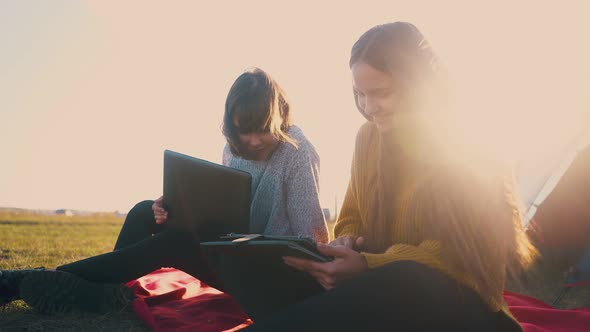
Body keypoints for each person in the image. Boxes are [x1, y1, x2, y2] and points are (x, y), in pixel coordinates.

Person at [242, 22, 538, 331]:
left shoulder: (466, 143)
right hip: (388, 296)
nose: (369, 108)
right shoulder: (368, 138)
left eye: (381, 93)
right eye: (360, 94)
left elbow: (458, 255)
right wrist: (347, 243)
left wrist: (370, 264)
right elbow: (351, 216)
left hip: (465, 309)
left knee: (405, 278)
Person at [0, 68, 328, 313]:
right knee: (146, 210)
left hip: (268, 273)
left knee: (173, 243)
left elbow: (312, 239)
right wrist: (176, 207)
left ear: (279, 117)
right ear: (232, 126)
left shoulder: (298, 152)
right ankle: (106, 295)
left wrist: (254, 250)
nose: (253, 141)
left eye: (262, 131)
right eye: (245, 132)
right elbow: (226, 207)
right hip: (231, 250)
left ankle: (30, 280)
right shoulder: (233, 149)